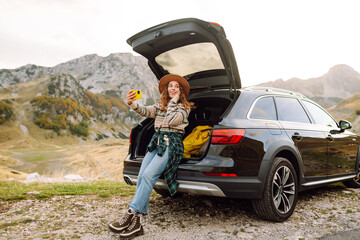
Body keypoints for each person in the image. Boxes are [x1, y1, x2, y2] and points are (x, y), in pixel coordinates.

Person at [109, 74, 193, 239]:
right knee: (141, 177)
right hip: (157, 142)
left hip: (172, 143)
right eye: (170, 86)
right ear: (166, 89)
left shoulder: (185, 108)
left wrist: (174, 102)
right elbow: (146, 111)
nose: (172, 88)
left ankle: (130, 213)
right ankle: (137, 224)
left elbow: (170, 120)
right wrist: (132, 103)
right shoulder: (160, 105)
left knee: (149, 175)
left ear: (180, 90)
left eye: (176, 86)